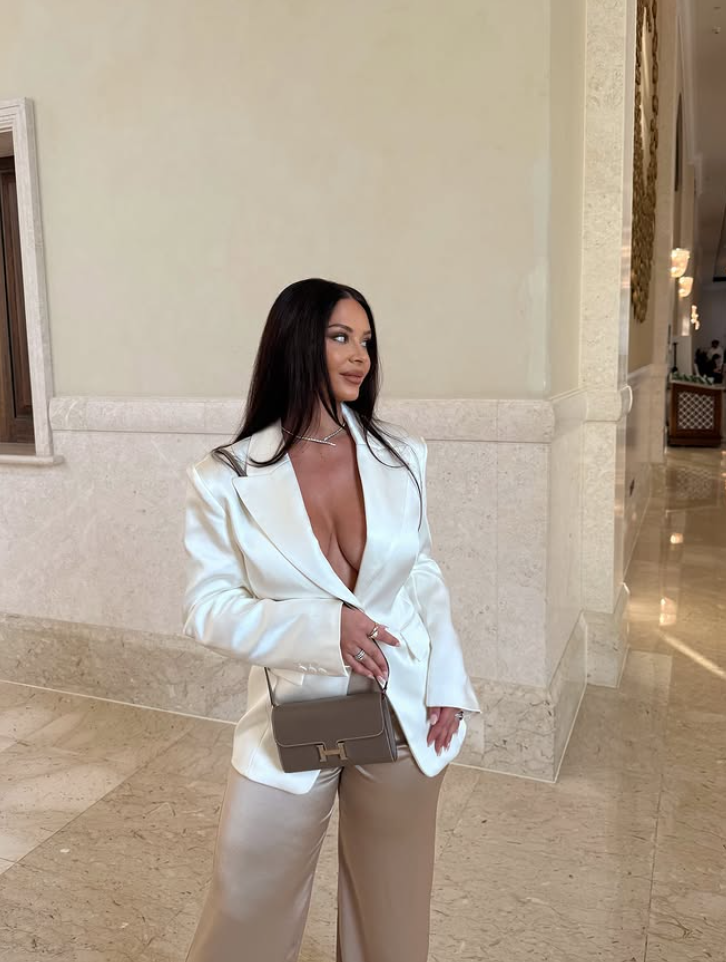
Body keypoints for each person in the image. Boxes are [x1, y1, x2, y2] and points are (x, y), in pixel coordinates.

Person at [181, 278, 480, 962]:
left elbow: (421, 570)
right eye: (340, 337)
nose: (359, 356)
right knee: (247, 901)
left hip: (403, 705)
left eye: (366, 340)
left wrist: (447, 678)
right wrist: (325, 629)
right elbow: (207, 609)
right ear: (295, 341)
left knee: (392, 914)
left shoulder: (403, 454)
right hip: (296, 714)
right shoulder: (224, 478)